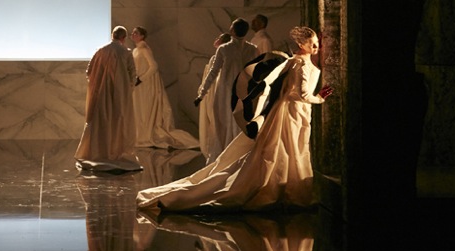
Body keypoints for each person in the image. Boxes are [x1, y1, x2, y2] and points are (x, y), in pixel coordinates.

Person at [137, 26, 334, 213]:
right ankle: (283, 188)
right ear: (301, 44)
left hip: (289, 111)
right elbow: (301, 93)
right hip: (291, 112)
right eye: (312, 43)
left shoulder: (294, 61)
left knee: (284, 148)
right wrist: (320, 98)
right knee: (285, 147)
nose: (316, 47)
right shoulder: (299, 64)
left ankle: (284, 186)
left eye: (317, 43)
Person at [74, 26, 143, 172]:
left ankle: (98, 151)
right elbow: (132, 75)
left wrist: (99, 83)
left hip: (100, 94)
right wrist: (127, 89)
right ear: (123, 38)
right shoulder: (126, 52)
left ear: (112, 35)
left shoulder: (101, 51)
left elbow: (89, 71)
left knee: (101, 121)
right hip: (120, 94)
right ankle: (116, 152)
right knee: (118, 121)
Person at [193, 18, 258, 163]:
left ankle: (226, 156)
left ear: (232, 30)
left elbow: (213, 72)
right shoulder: (253, 49)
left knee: (223, 125)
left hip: (225, 93)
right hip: (244, 92)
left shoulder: (224, 49)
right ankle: (238, 155)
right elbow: (257, 73)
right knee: (239, 123)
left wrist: (202, 94)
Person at [130, 26, 198, 150]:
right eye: (133, 32)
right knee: (140, 110)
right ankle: (141, 134)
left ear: (142, 36)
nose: (133, 34)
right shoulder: (136, 50)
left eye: (136, 33)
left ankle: (146, 134)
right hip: (139, 85)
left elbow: (153, 66)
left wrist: (141, 78)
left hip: (146, 85)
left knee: (145, 110)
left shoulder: (144, 49)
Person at [198, 32, 232, 162]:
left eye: (219, 38)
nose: (216, 39)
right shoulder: (220, 57)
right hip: (214, 92)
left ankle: (214, 151)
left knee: (213, 121)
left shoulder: (218, 57)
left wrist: (203, 90)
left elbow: (212, 76)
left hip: (213, 93)